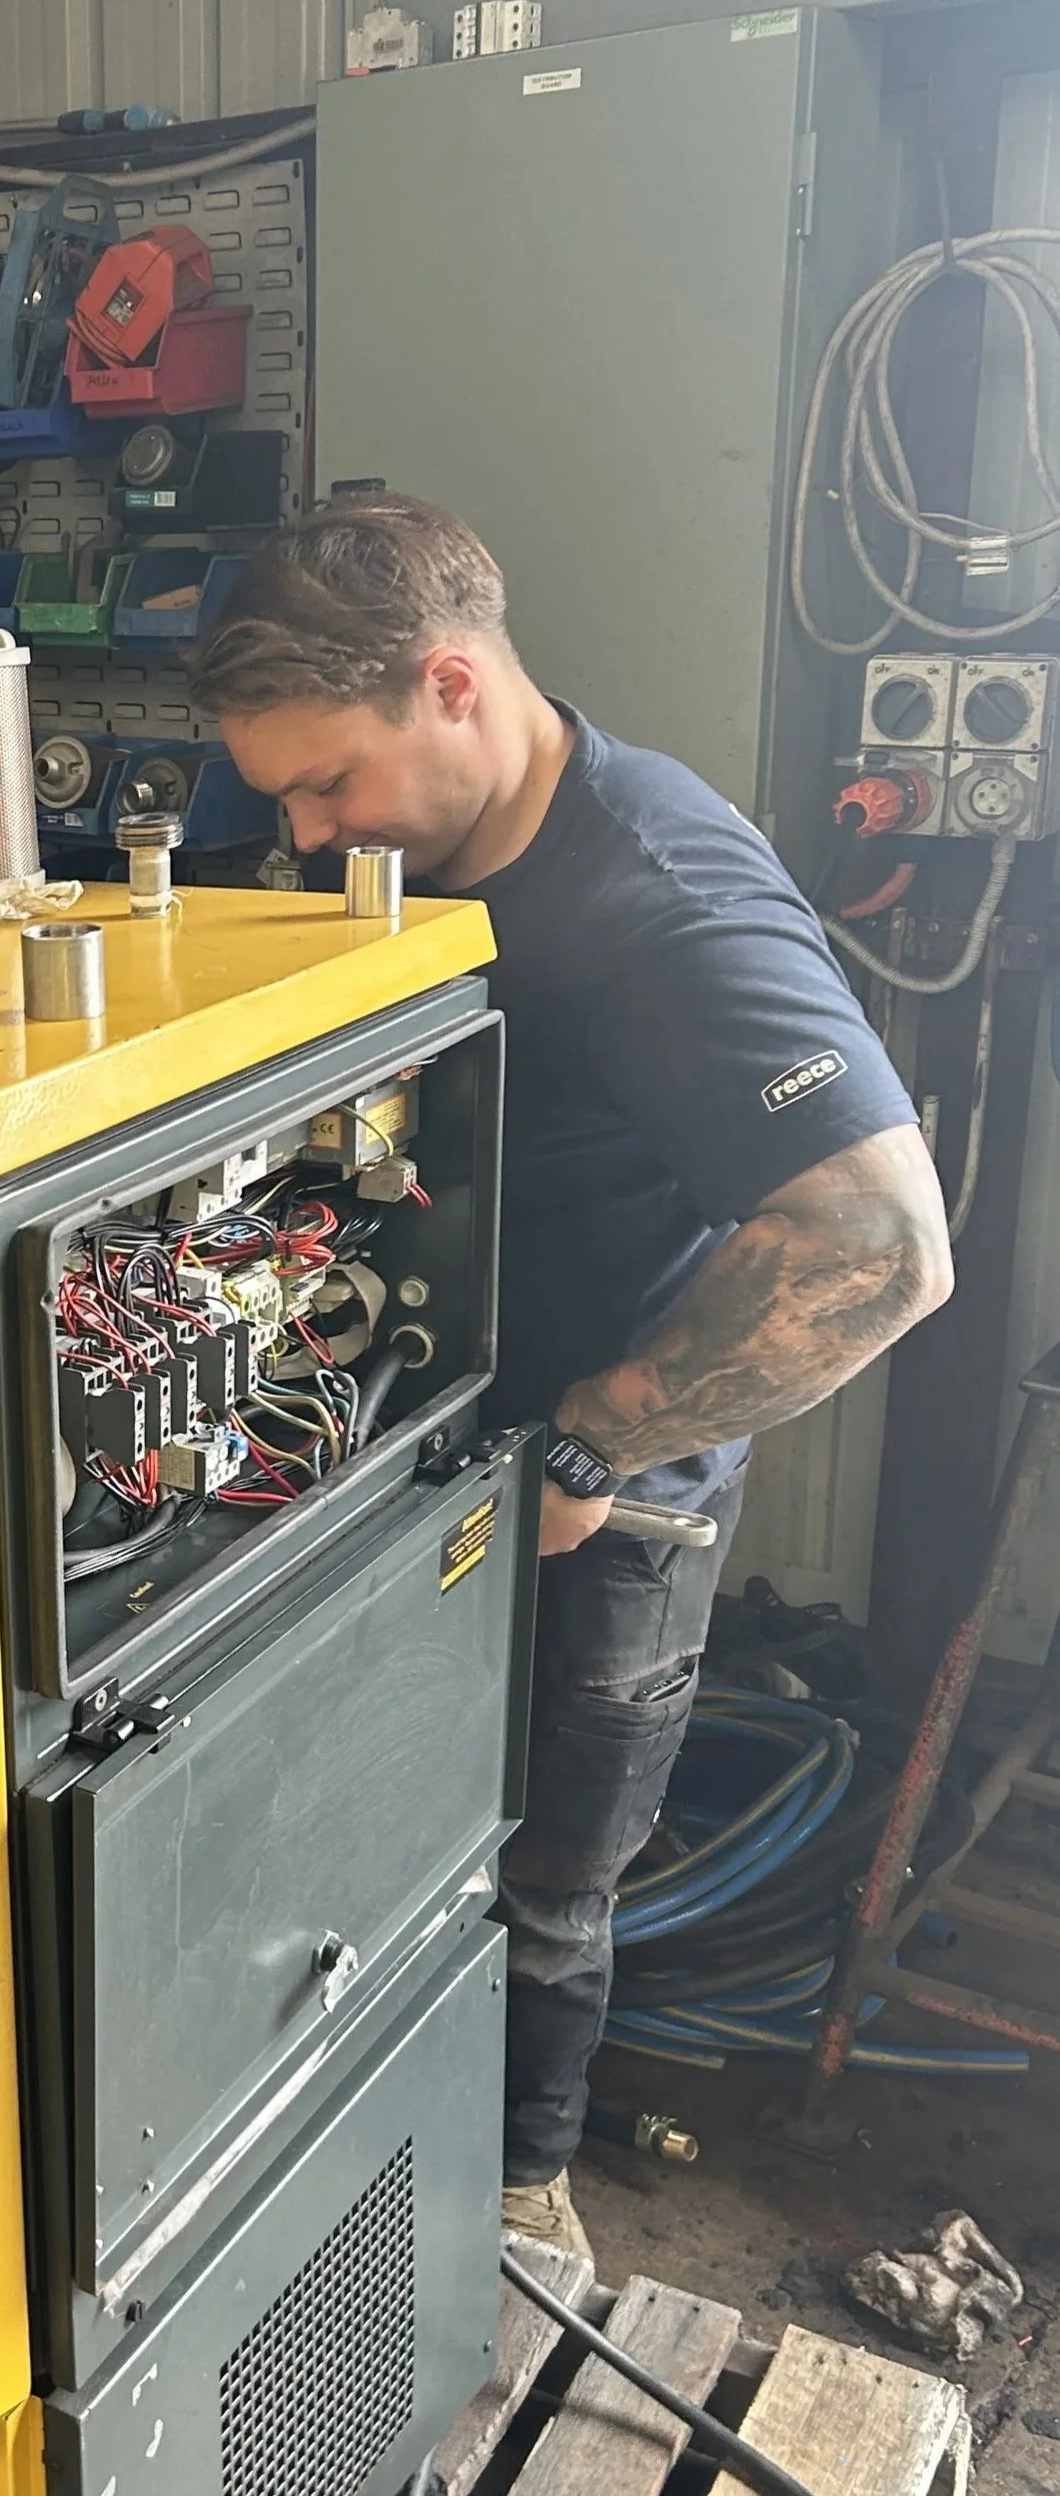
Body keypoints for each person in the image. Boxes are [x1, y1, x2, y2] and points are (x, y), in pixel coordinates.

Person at [188, 494, 951, 2259]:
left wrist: (592, 1443)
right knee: (356, 1841)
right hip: (395, 1449)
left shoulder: (650, 896)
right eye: (284, 800)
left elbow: (879, 1248)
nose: (306, 834)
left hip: (585, 1498)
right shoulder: (435, 856)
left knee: (539, 1885)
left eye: (327, 787)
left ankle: (518, 2211)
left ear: (451, 685)